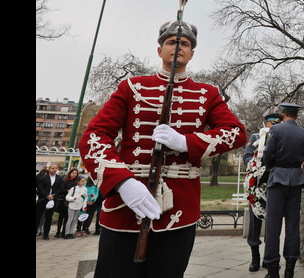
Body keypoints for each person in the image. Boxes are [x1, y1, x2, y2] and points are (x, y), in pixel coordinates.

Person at [79, 20, 246, 277]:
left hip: (179, 212)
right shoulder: (132, 87)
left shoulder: (207, 93)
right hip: (125, 207)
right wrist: (122, 182)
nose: (178, 46)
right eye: (171, 42)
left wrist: (187, 142)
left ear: (191, 53)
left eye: (185, 44)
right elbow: (94, 137)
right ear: (160, 50)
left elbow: (237, 133)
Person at [261, 103, 304, 278]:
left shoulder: (276, 131)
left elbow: (268, 155)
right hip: (296, 180)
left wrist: (270, 167)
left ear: (283, 114)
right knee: (292, 224)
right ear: (296, 116)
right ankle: (290, 268)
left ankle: (273, 269)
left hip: (277, 178)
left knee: (273, 226)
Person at [243, 112, 282, 272]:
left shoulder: (280, 137)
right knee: (254, 223)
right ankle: (255, 258)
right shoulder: (255, 137)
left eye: (276, 123)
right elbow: (247, 156)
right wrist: (255, 166)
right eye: (271, 123)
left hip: (273, 183)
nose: (273, 126)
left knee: (272, 224)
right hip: (256, 185)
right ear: (265, 123)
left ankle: (269, 257)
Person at [36, 163, 64, 240]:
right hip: (43, 199)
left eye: (56, 168)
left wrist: (54, 195)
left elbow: (61, 188)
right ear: (49, 169)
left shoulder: (59, 178)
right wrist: (47, 195)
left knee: (49, 217)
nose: (54, 169)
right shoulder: (43, 178)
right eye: (53, 168)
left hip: (53, 200)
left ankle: (46, 234)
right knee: (38, 216)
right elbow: (40, 188)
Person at [55, 168, 79, 238]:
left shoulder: (76, 182)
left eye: (75, 173)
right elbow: (61, 190)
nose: (74, 175)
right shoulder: (65, 181)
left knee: (67, 217)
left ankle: (64, 231)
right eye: (73, 173)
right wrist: (67, 191)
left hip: (72, 201)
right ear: (70, 173)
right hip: (63, 201)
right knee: (61, 217)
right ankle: (58, 231)